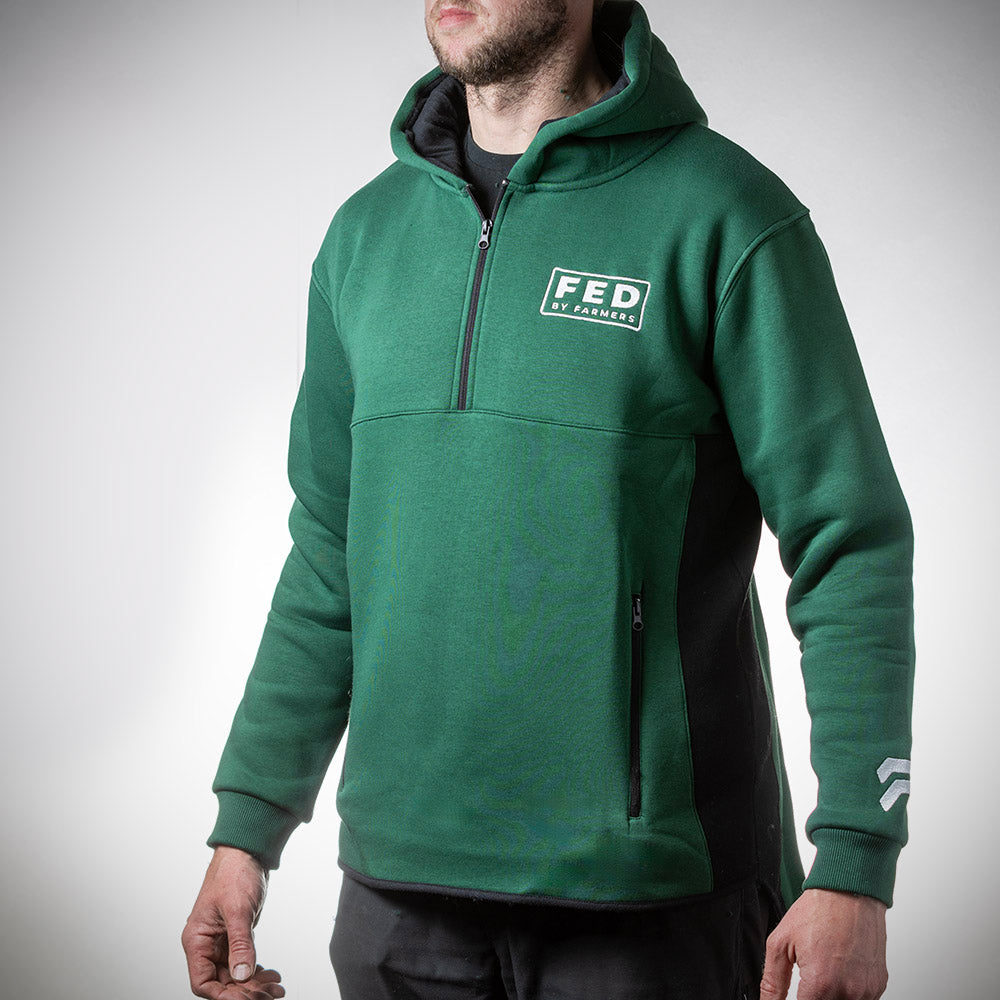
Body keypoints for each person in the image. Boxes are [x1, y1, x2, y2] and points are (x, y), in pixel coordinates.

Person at [181, 1, 915, 998]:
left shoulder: (724, 215)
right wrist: (244, 833)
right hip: (399, 897)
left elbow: (849, 541)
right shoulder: (365, 237)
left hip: (651, 896)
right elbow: (327, 554)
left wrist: (855, 864)